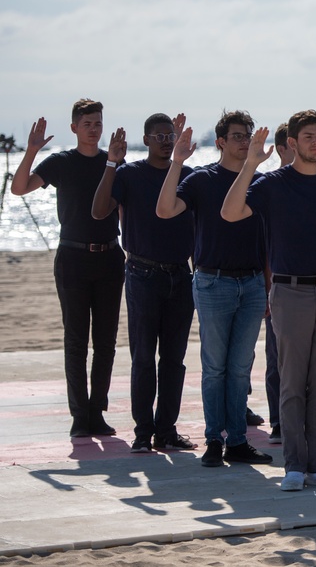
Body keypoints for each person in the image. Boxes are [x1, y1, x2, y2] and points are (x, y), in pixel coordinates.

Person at [221, 109, 316, 491]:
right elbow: (230, 212)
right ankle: (294, 466)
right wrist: (250, 164)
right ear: (293, 143)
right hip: (289, 291)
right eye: (309, 136)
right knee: (293, 383)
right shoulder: (273, 184)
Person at [155, 110, 272, 468]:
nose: (245, 141)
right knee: (214, 368)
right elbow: (164, 210)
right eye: (238, 136)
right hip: (212, 282)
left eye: (248, 135)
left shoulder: (260, 182)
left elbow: (270, 240)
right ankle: (213, 440)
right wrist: (177, 161)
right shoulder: (201, 180)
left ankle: (237, 441)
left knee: (240, 369)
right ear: (221, 142)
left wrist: (267, 287)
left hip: (252, 284)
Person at [12, 99, 125, 439]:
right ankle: (79, 415)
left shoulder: (114, 165)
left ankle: (97, 411)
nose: (94, 129)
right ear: (75, 127)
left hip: (109, 258)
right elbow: (19, 188)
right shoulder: (61, 162)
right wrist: (31, 150)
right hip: (73, 259)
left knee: (105, 342)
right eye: (87, 123)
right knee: (76, 341)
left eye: (98, 123)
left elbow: (124, 212)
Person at [91, 114, 196, 453]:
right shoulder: (130, 174)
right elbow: (98, 211)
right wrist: (111, 162)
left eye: (171, 135)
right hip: (142, 274)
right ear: (147, 139)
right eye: (160, 135)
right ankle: (143, 432)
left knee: (174, 359)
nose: (166, 140)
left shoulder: (188, 176)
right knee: (143, 358)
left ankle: (166, 430)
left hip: (181, 275)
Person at [261, 122, 294, 445]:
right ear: (282, 149)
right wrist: (265, 288)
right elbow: (263, 244)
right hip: (277, 285)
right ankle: (278, 421)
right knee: (277, 358)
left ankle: (305, 424)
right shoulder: (267, 186)